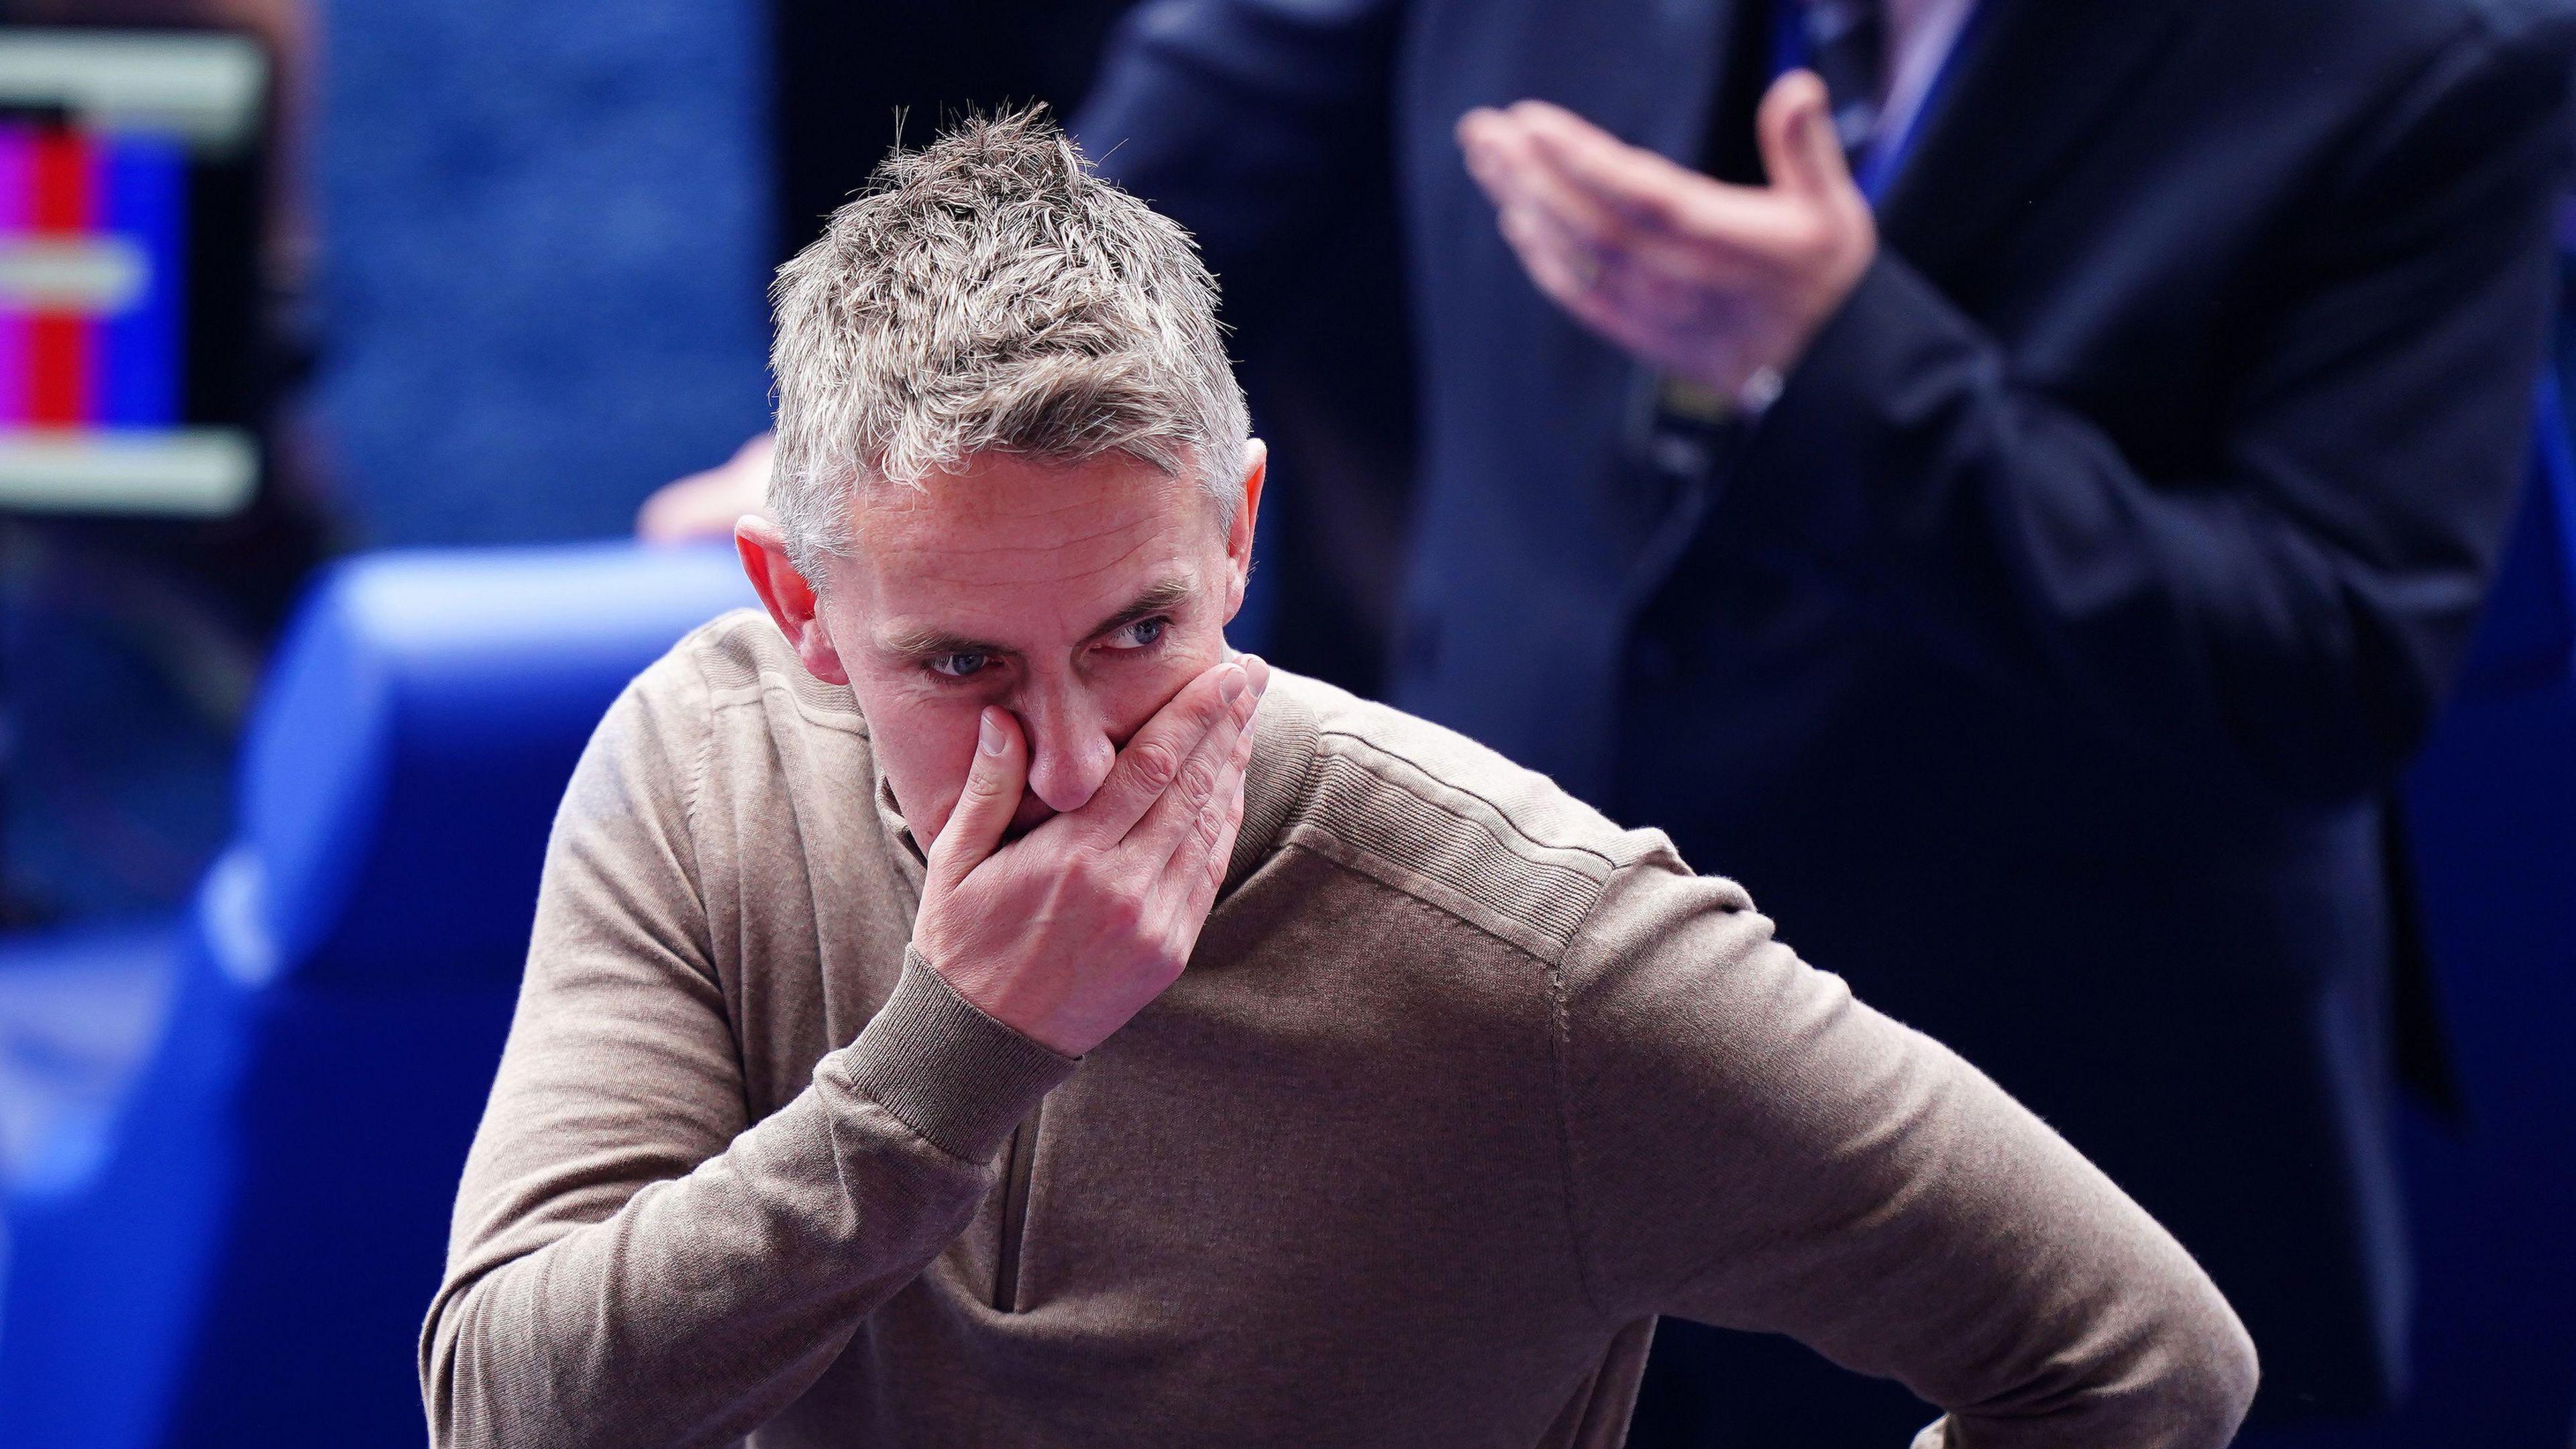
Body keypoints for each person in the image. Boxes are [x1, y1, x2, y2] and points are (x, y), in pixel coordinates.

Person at [422, 112, 2258, 1449]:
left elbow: (2135, 1361)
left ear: (1236, 536)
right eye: (963, 665)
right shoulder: (705, 756)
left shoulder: (1529, 940)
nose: (1069, 758)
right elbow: (510, 1413)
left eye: (1138, 633)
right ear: (800, 605)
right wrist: (946, 1063)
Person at [1071, 0, 2576, 1438]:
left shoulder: (2437, 48)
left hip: (2041, 1133)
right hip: (1487, 1086)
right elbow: (1105, 258)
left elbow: (2326, 666)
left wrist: (1845, 370)